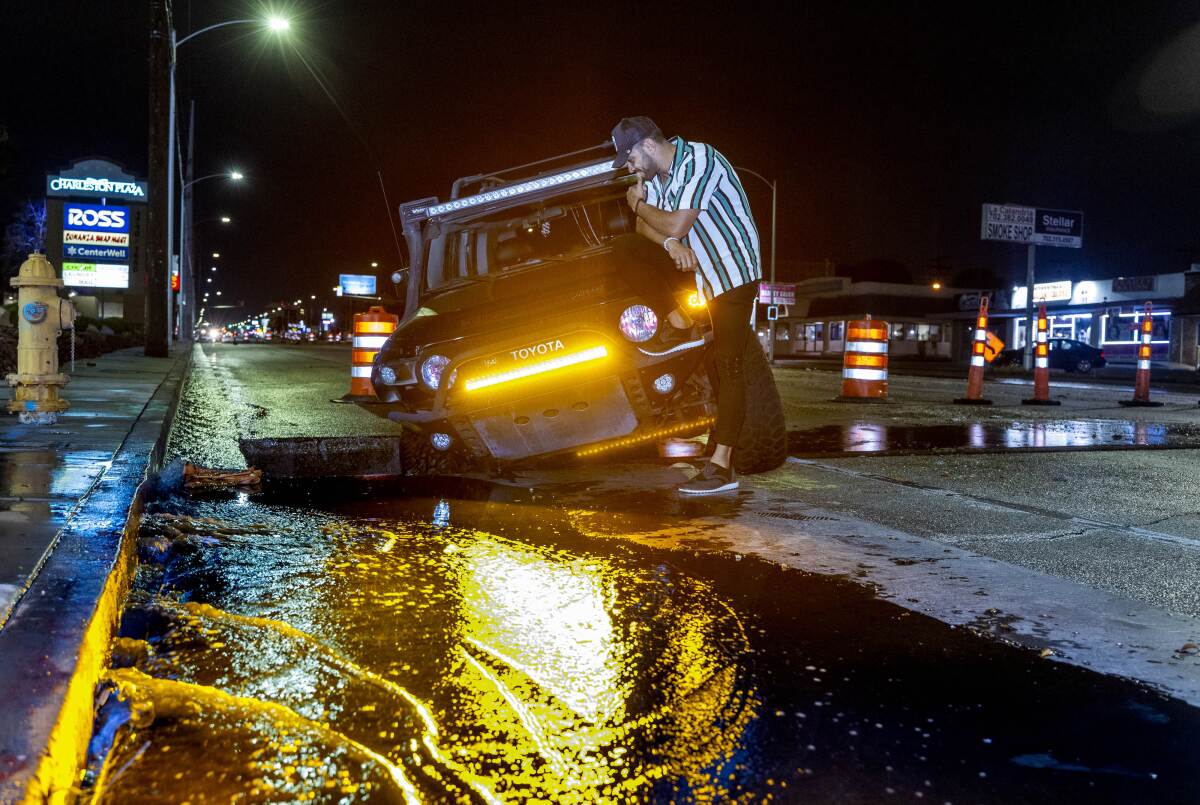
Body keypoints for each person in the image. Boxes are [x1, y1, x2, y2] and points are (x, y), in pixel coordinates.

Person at [608, 116, 762, 495]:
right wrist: (670, 244)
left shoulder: (699, 159)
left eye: (629, 160)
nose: (629, 169)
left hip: (735, 270)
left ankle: (723, 467)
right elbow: (647, 232)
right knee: (624, 249)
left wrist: (641, 207)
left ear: (646, 145)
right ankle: (677, 316)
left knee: (729, 365)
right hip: (704, 274)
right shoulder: (661, 178)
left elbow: (672, 222)